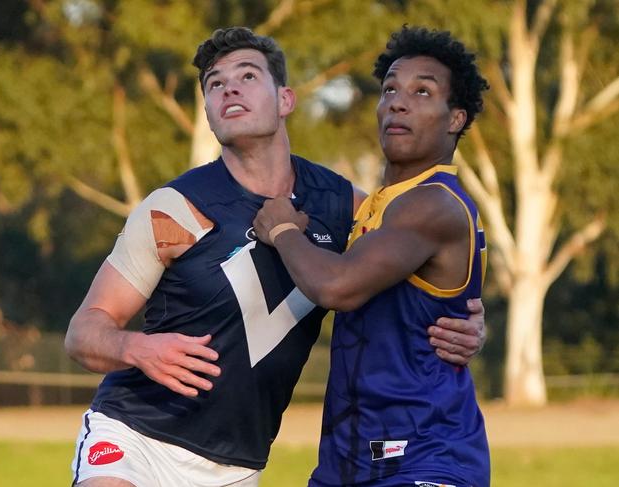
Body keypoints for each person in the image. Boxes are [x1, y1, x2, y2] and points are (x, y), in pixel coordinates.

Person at [65, 27, 486, 487]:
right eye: (214, 84)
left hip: (237, 465)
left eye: (247, 76)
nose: (229, 89)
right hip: (135, 435)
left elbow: (413, 271)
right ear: (207, 113)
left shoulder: (346, 205)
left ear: (286, 100)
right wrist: (136, 348)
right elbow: (84, 331)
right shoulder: (172, 209)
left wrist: (467, 320)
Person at [253, 26, 490, 486]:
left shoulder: (434, 203)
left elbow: (337, 286)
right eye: (389, 90)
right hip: (349, 459)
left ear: (455, 118)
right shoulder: (377, 206)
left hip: (425, 455)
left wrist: (281, 228)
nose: (398, 102)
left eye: (423, 91)